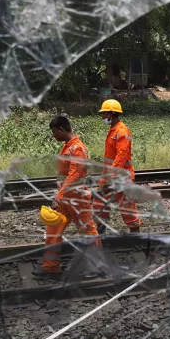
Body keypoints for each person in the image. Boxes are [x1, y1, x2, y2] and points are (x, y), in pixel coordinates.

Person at [34, 116, 102, 279]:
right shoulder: (68, 147)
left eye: (54, 132)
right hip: (65, 199)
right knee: (53, 230)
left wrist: (59, 196)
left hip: (77, 199)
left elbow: (74, 175)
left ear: (61, 129)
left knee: (88, 232)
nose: (53, 135)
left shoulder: (77, 148)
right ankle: (51, 268)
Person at [91, 99, 141, 235]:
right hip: (110, 175)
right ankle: (100, 234)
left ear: (111, 114)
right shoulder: (113, 130)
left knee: (127, 207)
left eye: (104, 114)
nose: (102, 116)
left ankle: (135, 233)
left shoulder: (122, 132)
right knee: (99, 202)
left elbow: (120, 159)